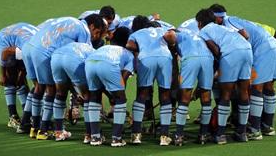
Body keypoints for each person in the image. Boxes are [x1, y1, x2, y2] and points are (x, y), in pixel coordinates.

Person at [26, 14, 105, 140]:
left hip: (31, 48)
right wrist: (78, 91)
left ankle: (35, 128)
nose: (95, 36)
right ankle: (44, 130)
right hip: (46, 53)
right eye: (97, 32)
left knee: (41, 88)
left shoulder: (70, 20)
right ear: (91, 26)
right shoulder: (84, 30)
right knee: (52, 90)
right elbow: (81, 56)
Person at [210, 4, 276, 139]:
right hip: (274, 45)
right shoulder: (234, 19)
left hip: (263, 49)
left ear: (217, 18)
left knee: (256, 88)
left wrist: (244, 53)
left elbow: (245, 35)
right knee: (269, 87)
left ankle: (255, 130)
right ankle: (267, 126)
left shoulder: (227, 23)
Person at [197, 9, 253, 144]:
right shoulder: (222, 27)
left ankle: (220, 135)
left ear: (199, 23)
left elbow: (216, 50)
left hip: (231, 54)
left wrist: (218, 69)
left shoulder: (203, 31)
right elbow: (245, 36)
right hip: (247, 50)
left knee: (225, 94)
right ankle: (242, 132)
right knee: (244, 91)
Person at [126, 15, 175, 146]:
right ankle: (164, 136)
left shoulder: (136, 33)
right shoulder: (160, 29)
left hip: (146, 59)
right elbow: (172, 37)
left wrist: (142, 48)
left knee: (142, 94)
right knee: (165, 94)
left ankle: (136, 134)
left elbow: (129, 45)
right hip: (165, 58)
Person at [85, 27, 133, 147]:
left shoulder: (103, 47)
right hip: (109, 64)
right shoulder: (128, 54)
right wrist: (116, 96)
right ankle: (117, 138)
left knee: (94, 97)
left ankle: (95, 137)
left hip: (90, 62)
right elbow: (123, 80)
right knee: (121, 99)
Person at [172, 28, 214, 146]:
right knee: (206, 99)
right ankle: (203, 135)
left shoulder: (177, 35)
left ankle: (179, 135)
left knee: (184, 99)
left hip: (190, 59)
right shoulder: (200, 35)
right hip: (207, 59)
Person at [0, 22, 39, 129]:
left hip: (21, 37)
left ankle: (27, 115)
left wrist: (22, 73)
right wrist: (3, 75)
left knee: (21, 78)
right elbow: (5, 53)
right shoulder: (27, 50)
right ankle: (13, 116)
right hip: (5, 40)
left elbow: (26, 67)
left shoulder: (40, 49)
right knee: (11, 78)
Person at [50, 42, 95, 142]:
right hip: (73, 59)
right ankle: (89, 134)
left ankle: (58, 132)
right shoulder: (96, 55)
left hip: (56, 57)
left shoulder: (87, 48)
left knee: (60, 93)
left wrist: (77, 93)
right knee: (87, 95)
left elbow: (71, 81)